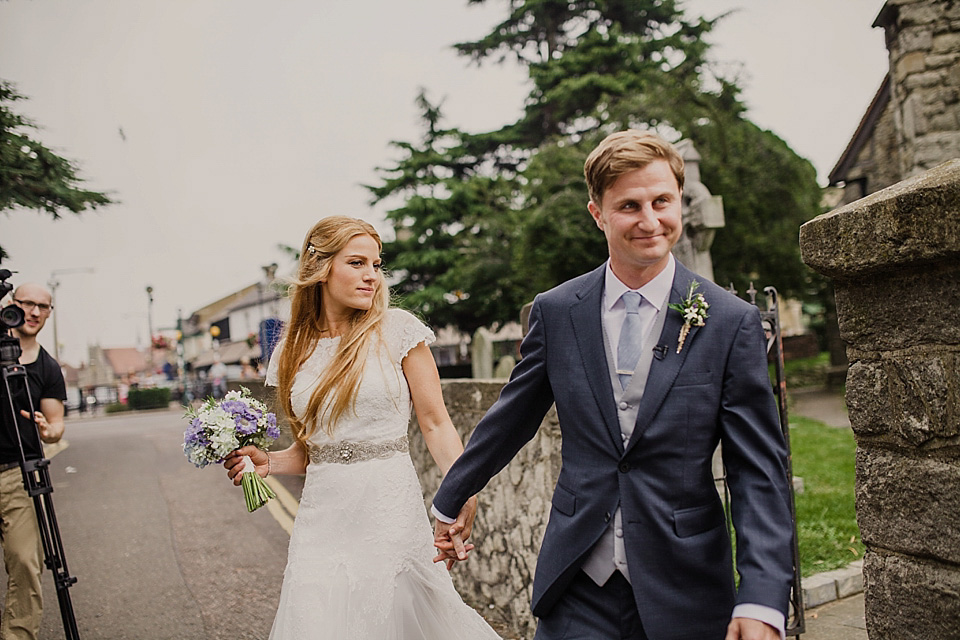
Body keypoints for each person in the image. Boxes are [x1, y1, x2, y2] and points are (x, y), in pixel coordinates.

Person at [432, 130, 794, 640]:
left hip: (685, 586)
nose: (650, 221)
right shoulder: (557, 312)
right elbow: (511, 418)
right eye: (629, 205)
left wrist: (762, 598)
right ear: (598, 214)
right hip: (578, 584)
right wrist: (451, 500)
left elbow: (757, 471)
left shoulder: (729, 321)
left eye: (662, 201)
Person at [223, 216, 500, 640]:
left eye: (376, 263)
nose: (372, 275)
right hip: (322, 519)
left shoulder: (399, 330)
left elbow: (436, 423)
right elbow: (309, 451)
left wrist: (462, 488)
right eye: (357, 263)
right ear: (320, 267)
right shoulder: (290, 351)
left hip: (389, 510)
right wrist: (268, 463)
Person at [0, 283, 66, 640]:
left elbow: (56, 425)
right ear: (12, 304)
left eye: (44, 306)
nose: (35, 312)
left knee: (26, 563)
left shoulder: (47, 367)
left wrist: (49, 430)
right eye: (27, 304)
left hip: (18, 475)